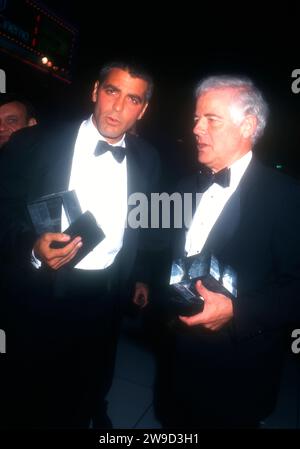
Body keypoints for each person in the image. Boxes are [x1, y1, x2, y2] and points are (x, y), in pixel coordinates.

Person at [0, 61, 160, 428]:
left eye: (132, 99)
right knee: (25, 392)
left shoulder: (148, 159)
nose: (118, 108)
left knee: (83, 389)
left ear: (143, 109)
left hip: (105, 295)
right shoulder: (34, 142)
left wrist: (140, 276)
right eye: (112, 91)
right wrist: (30, 244)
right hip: (40, 290)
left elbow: (144, 225)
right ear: (95, 91)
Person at [155, 75, 300, 428]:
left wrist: (237, 310)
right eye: (195, 118)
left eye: (210, 119)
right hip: (177, 363)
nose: (196, 129)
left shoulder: (287, 196)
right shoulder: (185, 186)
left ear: (247, 125)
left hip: (237, 374)